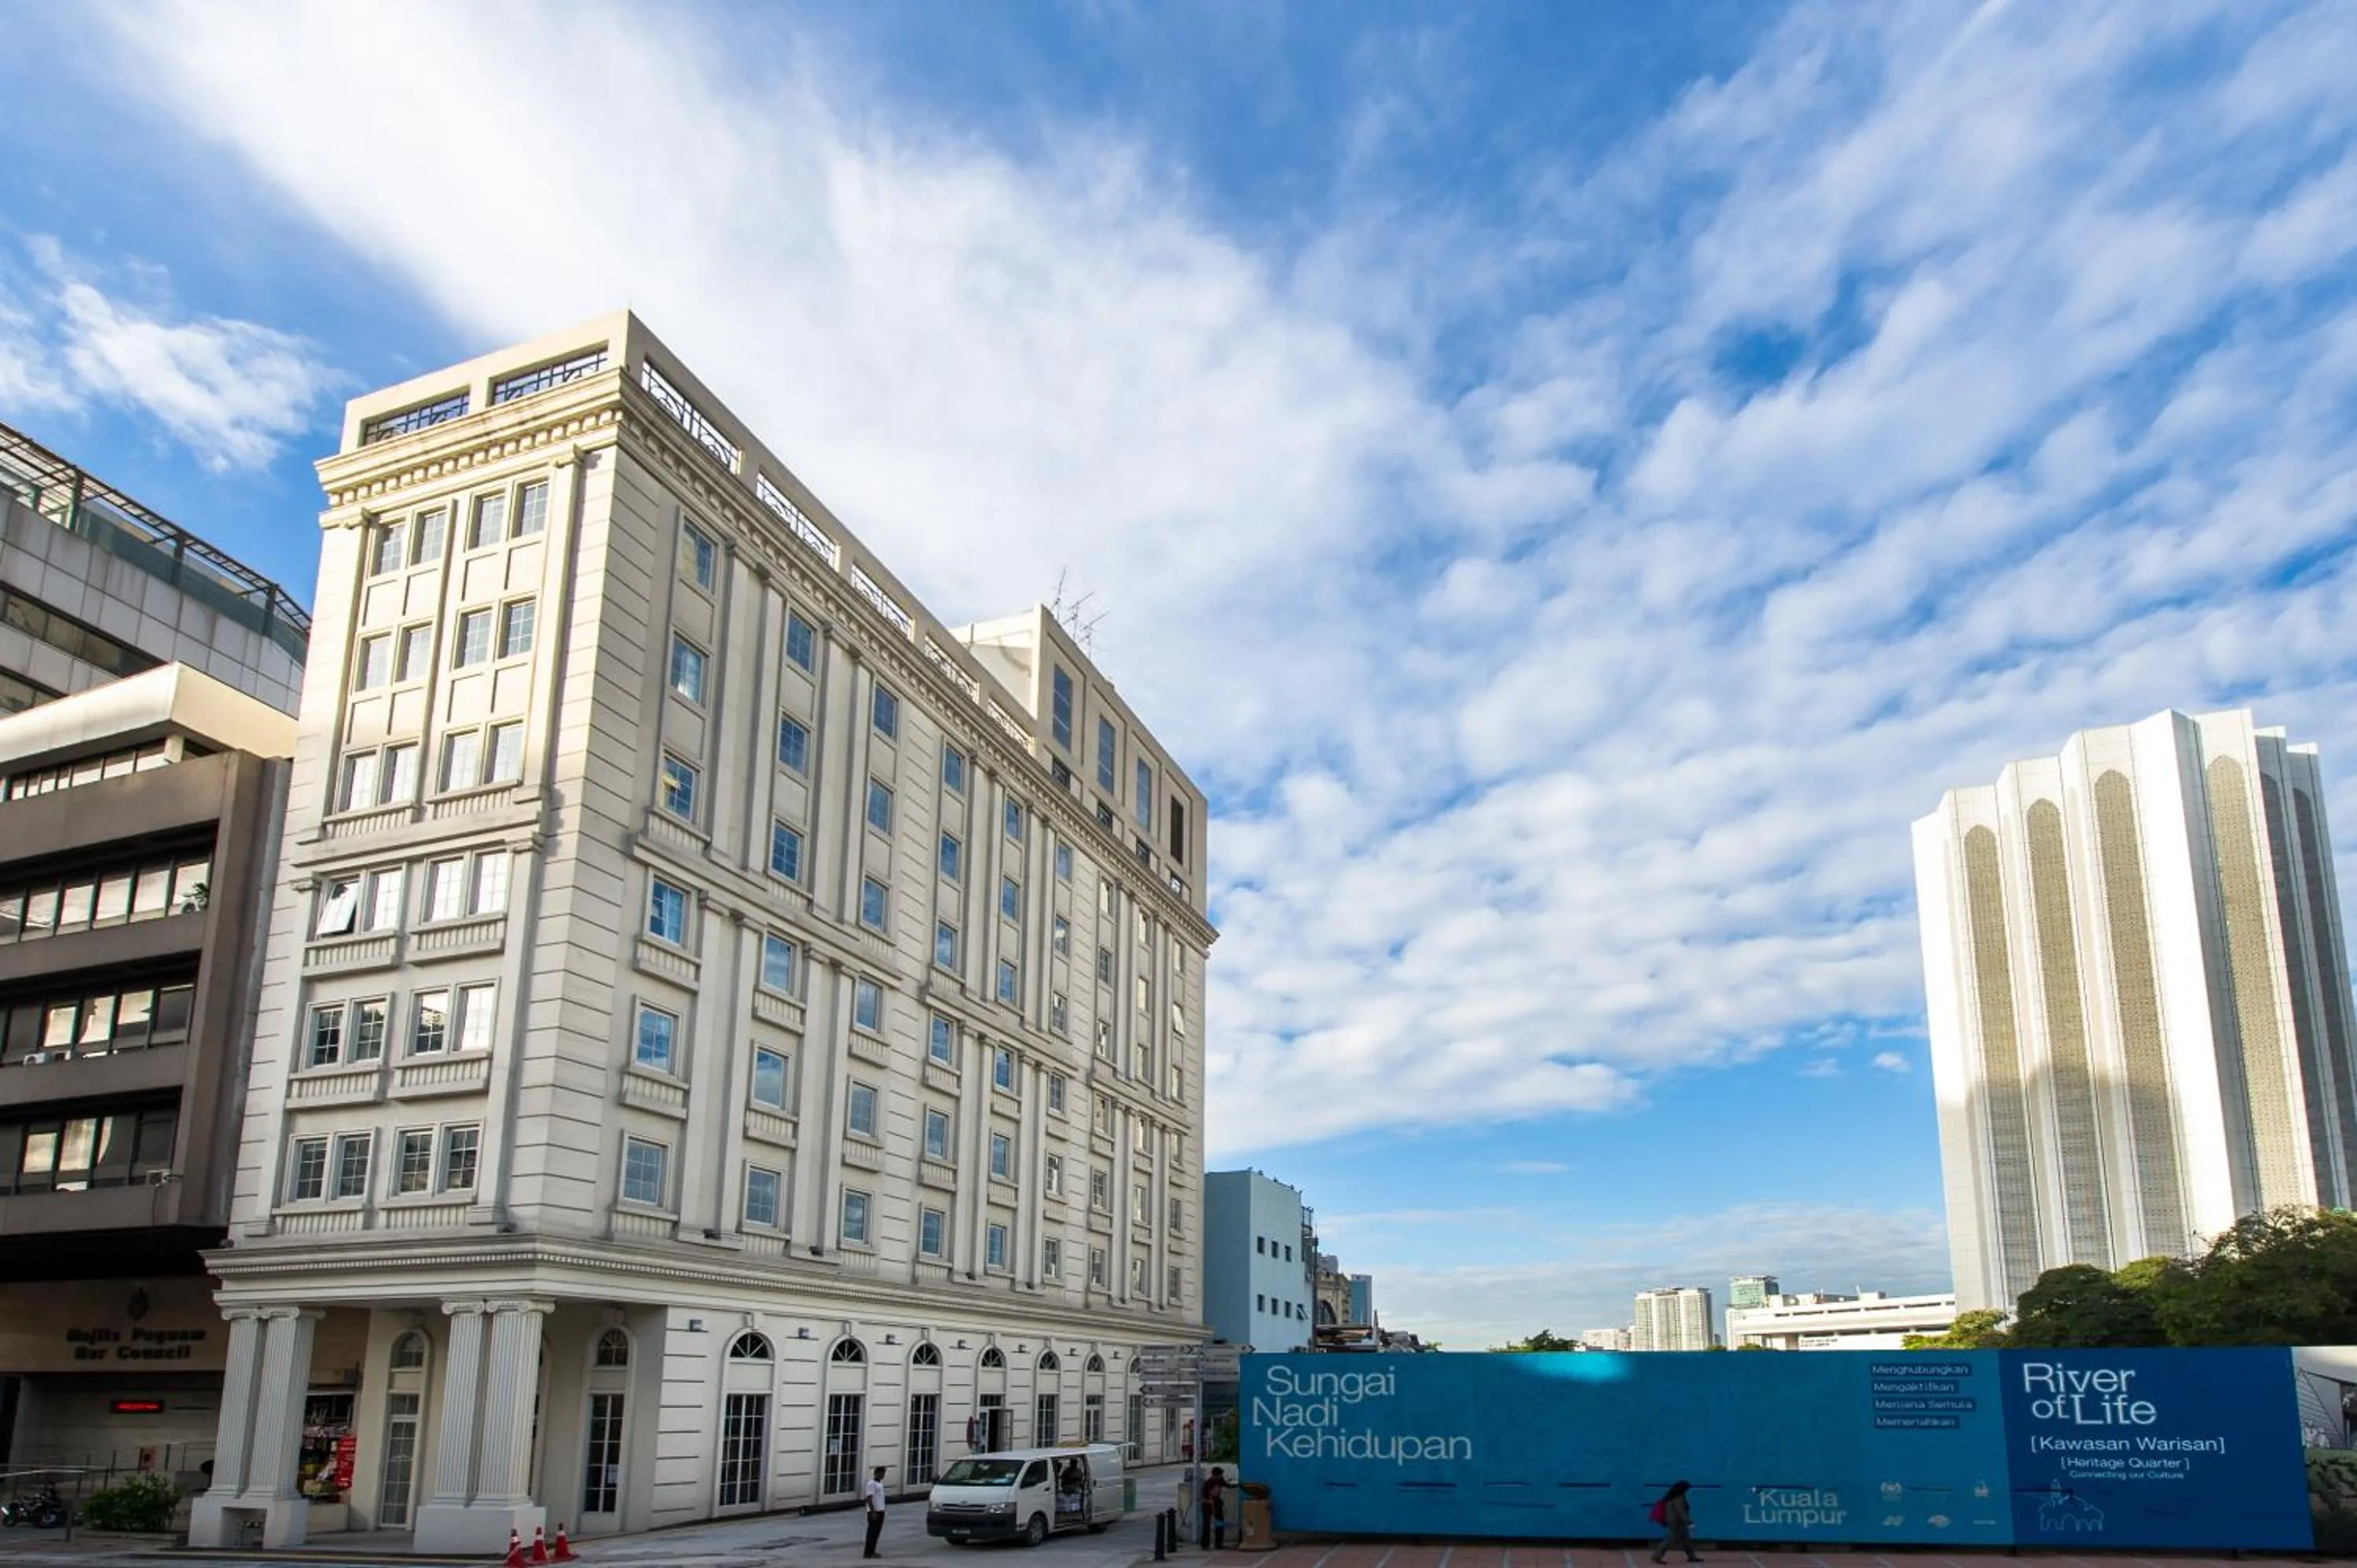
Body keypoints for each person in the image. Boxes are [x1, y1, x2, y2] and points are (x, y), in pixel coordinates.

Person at [1651, 1480, 1699, 1564]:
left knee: (1686, 1539)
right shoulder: (1678, 1497)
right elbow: (1681, 1511)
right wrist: (1689, 1521)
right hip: (1677, 1521)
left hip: (1674, 1520)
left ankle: (1692, 1556)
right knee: (1671, 1538)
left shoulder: (1671, 1496)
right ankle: (1657, 1556)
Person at [862, 1464, 889, 1559]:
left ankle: (873, 1551)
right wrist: (873, 1512)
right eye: (881, 1473)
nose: (883, 1475)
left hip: (881, 1510)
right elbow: (869, 1498)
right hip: (875, 1511)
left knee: (876, 1533)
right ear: (876, 1473)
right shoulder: (871, 1484)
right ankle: (868, 1552)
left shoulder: (880, 1484)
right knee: (872, 1533)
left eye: (884, 1473)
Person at [1200, 1465, 1230, 1550]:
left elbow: (1227, 1485)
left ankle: (1219, 1544)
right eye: (1220, 1475)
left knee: (1220, 1524)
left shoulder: (1220, 1481)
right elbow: (1202, 1499)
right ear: (1215, 1475)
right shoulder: (1207, 1484)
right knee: (1206, 1526)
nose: (1221, 1477)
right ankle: (1205, 1545)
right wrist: (1210, 1501)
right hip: (1207, 1506)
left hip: (1217, 1505)